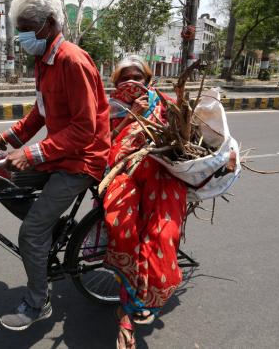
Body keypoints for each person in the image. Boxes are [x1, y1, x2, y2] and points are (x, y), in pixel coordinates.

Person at [0, 0, 110, 331]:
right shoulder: (44, 61)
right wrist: (2, 141)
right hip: (59, 152)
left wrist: (32, 153)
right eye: (20, 30)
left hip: (82, 160)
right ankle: (56, 229)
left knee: (30, 233)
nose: (23, 37)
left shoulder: (73, 60)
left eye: (27, 29)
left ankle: (37, 303)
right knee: (1, 180)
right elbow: (38, 115)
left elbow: (85, 130)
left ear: (51, 23)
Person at [103, 56, 188, 349]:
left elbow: (182, 138)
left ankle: (143, 301)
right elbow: (104, 146)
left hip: (161, 174)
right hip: (122, 172)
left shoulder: (163, 103)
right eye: (125, 77)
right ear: (115, 83)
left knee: (162, 234)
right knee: (123, 229)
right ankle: (128, 310)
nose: (132, 83)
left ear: (148, 81)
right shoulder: (109, 108)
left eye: (137, 77)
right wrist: (129, 117)